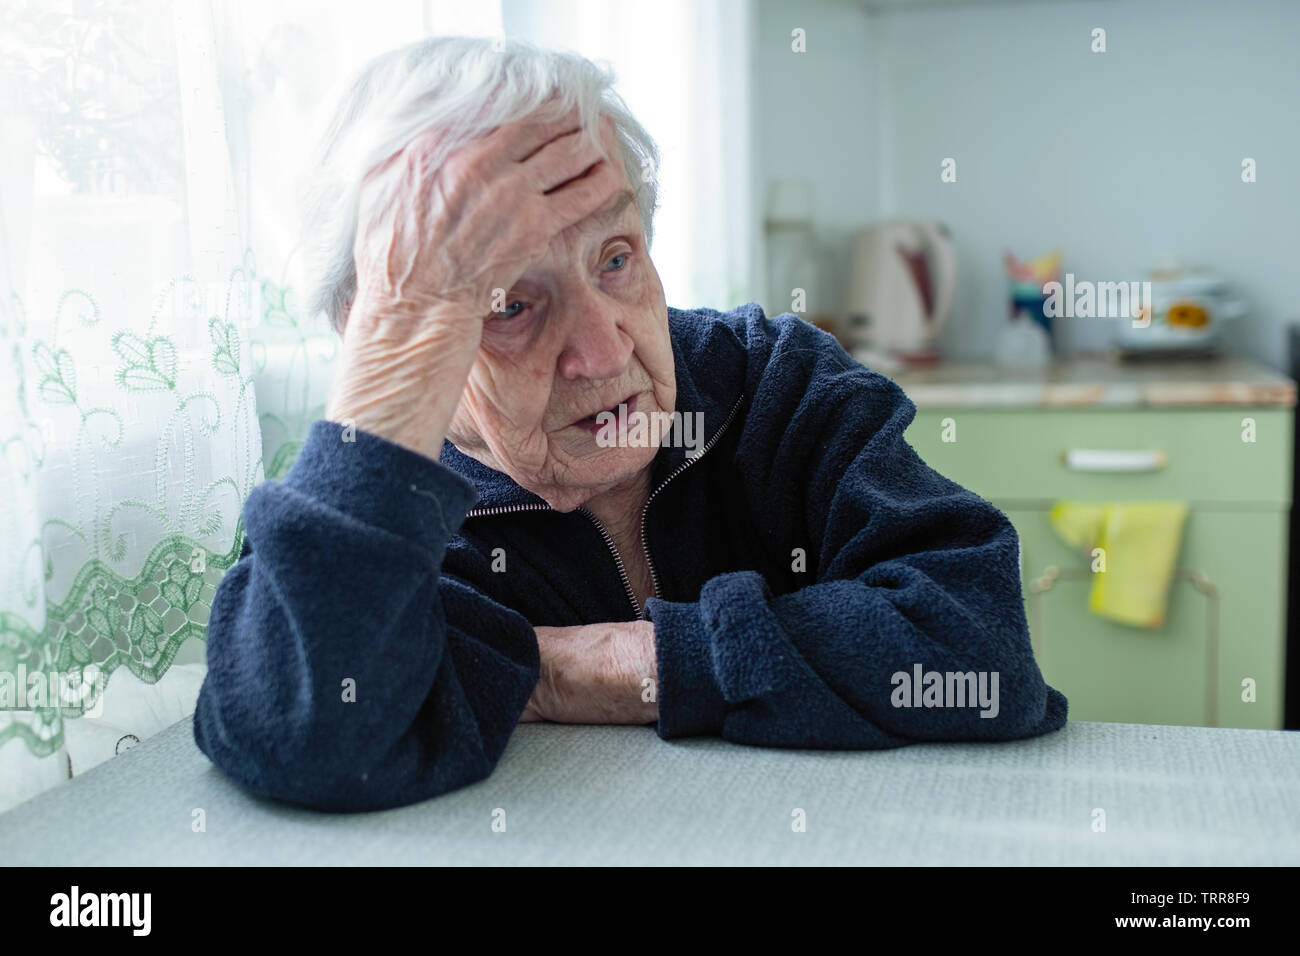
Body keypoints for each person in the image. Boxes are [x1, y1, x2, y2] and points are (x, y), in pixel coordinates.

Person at [193, 36, 1067, 812]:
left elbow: (982, 655)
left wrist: (587, 666)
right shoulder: (375, 507)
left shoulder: (773, 382)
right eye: (509, 304)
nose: (603, 352)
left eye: (615, 259)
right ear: (393, 333)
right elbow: (302, 729)